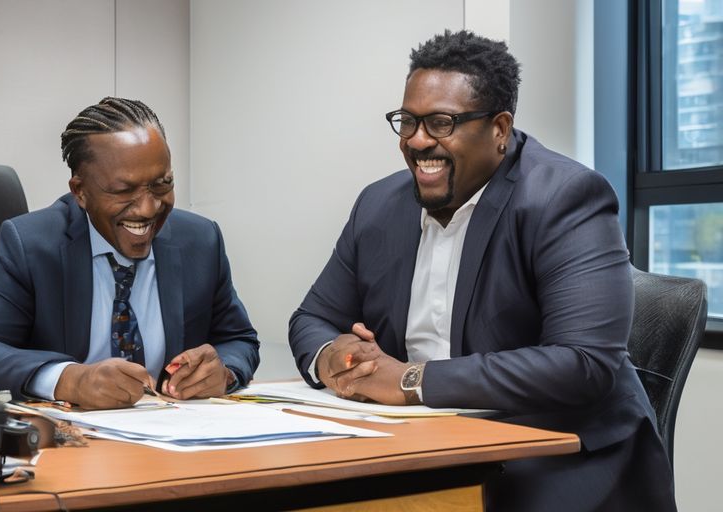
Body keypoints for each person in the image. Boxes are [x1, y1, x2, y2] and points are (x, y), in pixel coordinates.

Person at [288, 30, 676, 511]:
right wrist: (331, 356)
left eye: (441, 123)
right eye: (407, 121)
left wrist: (412, 380)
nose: (417, 141)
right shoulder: (378, 205)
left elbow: (582, 362)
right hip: (416, 444)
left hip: (556, 454)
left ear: (499, 128)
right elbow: (310, 318)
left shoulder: (565, 198)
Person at [0, 97, 260, 409]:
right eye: (124, 191)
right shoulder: (32, 244)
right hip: (71, 443)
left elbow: (239, 340)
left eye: (162, 185)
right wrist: (70, 379)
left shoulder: (200, 241)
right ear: (80, 191)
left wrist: (224, 372)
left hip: (175, 438)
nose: (148, 208)